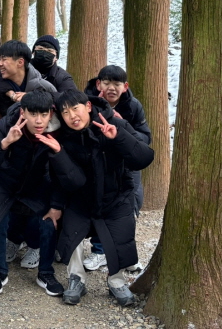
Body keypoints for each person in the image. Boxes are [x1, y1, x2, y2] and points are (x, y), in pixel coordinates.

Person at [43, 89, 154, 306]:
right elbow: (60, 179)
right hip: (80, 199)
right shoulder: (62, 136)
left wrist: (118, 137)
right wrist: (56, 205)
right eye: (65, 112)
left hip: (116, 196)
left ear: (88, 106)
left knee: (120, 238)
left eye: (75, 109)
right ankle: (76, 278)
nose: (72, 116)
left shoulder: (114, 123)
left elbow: (144, 158)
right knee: (71, 233)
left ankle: (116, 282)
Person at [0, 90, 63, 296]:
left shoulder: (59, 131)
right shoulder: (7, 124)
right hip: (5, 182)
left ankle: (45, 272)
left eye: (43, 114)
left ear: (51, 114)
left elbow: (61, 174)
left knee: (49, 221)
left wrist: (56, 205)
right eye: (33, 114)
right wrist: (6, 142)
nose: (38, 120)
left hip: (38, 183)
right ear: (23, 112)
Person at [0, 39, 57, 268]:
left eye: (4, 59)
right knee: (9, 198)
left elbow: (63, 104)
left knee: (36, 199)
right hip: (11, 148)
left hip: (40, 154)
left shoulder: (44, 88)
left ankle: (35, 245)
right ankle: (14, 240)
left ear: (20, 62)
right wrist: (11, 99)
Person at [83, 65, 152, 270]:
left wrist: (123, 128)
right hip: (97, 163)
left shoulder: (133, 106)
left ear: (125, 86)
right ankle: (99, 251)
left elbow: (145, 138)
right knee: (100, 204)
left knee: (130, 205)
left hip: (126, 162)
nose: (111, 88)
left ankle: (125, 255)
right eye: (106, 83)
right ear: (98, 84)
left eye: (117, 84)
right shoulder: (86, 103)